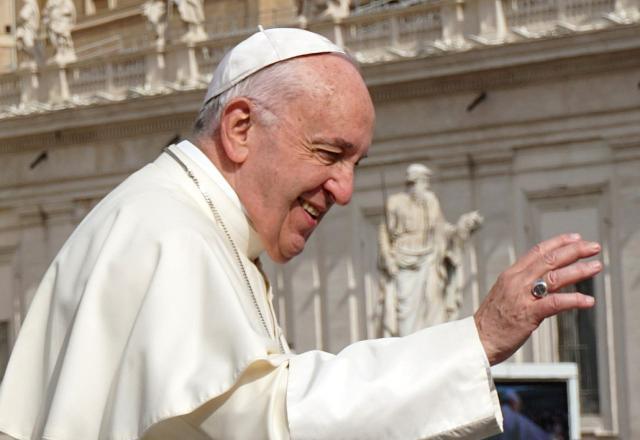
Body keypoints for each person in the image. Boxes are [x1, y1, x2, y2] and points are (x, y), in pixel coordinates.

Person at [0, 28, 601, 440]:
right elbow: (277, 422)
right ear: (239, 129)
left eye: (355, 165)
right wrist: (476, 338)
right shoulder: (169, 232)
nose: (344, 190)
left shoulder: (181, 220)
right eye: (328, 153)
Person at [378, 163, 482, 336]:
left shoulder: (431, 201)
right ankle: (407, 350)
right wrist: (388, 260)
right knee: (405, 313)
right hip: (403, 263)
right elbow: (384, 235)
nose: (426, 186)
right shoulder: (395, 203)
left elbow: (442, 230)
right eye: (423, 182)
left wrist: (463, 227)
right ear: (414, 182)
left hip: (430, 260)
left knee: (433, 305)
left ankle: (432, 347)